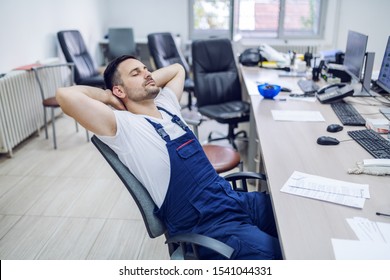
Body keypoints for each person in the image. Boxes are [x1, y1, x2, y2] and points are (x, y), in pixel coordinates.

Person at [56, 55, 282, 260]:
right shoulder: (123, 127)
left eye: (147, 69)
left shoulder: (166, 104)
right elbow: (65, 96)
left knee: (291, 215)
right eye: (136, 73)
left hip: (232, 200)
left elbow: (176, 69)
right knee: (282, 253)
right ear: (119, 91)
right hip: (208, 225)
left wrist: (144, 78)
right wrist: (106, 95)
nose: (147, 74)